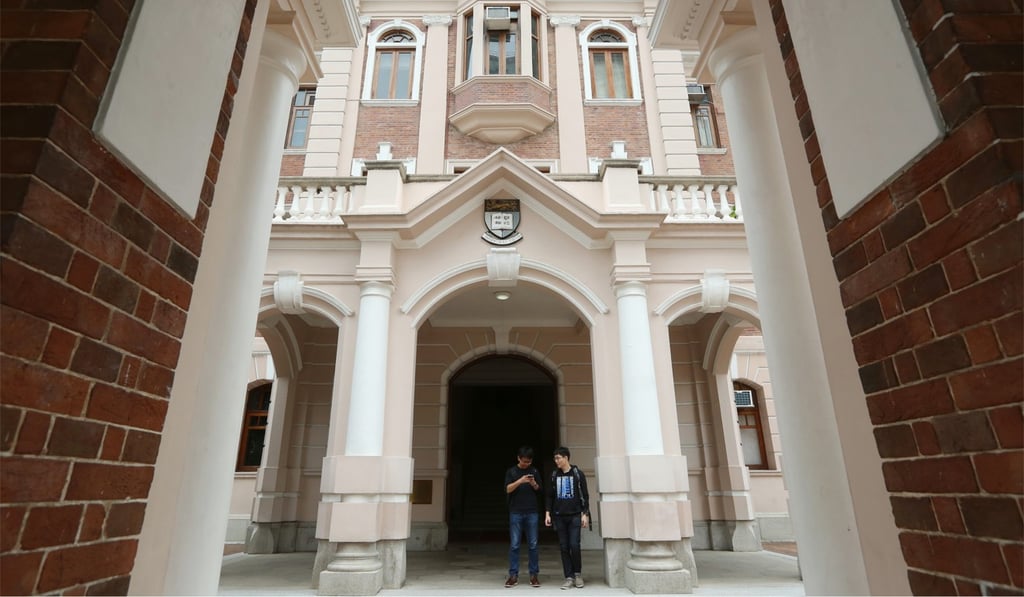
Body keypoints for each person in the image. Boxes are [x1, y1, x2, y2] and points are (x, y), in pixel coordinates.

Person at [544, 446, 590, 590]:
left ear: (566, 458)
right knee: (564, 547)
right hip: (559, 517)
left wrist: (585, 514)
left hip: (575, 515)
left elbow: (585, 495)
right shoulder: (554, 475)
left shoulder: (577, 474)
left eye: (558, 458)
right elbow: (549, 496)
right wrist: (547, 512)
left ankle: (577, 574)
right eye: (555, 458)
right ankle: (568, 577)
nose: (556, 461)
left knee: (574, 545)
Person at [504, 445, 543, 588]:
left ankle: (534, 575)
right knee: (514, 545)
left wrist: (533, 483)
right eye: (524, 461)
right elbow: (507, 489)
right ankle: (513, 575)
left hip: (532, 511)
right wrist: (520, 481)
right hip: (516, 512)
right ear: (518, 458)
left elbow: (540, 490)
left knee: (533, 545)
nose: (526, 464)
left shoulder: (534, 471)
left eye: (528, 461)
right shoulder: (512, 471)